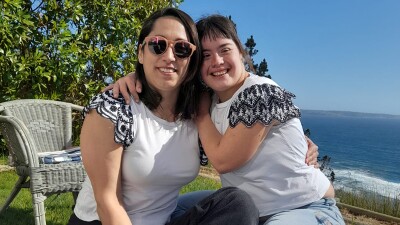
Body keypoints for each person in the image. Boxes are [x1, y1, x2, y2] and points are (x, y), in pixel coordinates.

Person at [110, 14, 345, 225]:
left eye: (224, 50)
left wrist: (201, 113)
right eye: (206, 55)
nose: (217, 62)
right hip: (251, 207)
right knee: (167, 212)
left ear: (241, 53)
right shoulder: (210, 99)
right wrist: (133, 77)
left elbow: (224, 161)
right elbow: (165, 78)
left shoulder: (259, 92)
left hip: (303, 207)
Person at [68, 8, 259, 225]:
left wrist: (302, 143)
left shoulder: (197, 112)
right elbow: (107, 202)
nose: (169, 57)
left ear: (192, 60)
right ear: (141, 52)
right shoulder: (113, 108)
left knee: (237, 204)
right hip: (103, 221)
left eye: (182, 49)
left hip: (162, 220)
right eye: (157, 45)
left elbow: (249, 127)